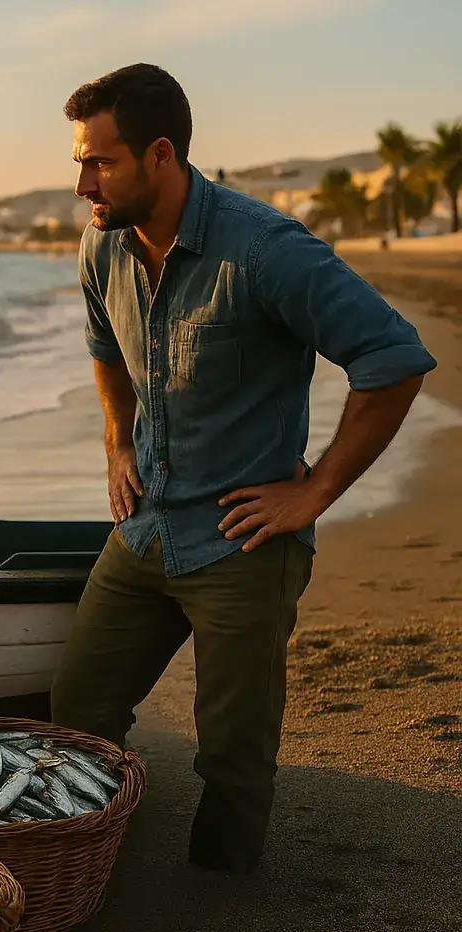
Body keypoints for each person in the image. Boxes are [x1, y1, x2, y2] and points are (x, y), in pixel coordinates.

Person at [50, 64, 436, 872]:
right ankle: (83, 863)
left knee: (232, 751)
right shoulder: (102, 246)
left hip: (242, 540)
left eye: (101, 161)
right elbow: (104, 349)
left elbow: (393, 359)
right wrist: (118, 442)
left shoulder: (266, 251)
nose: (82, 181)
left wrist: (316, 489)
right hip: (146, 525)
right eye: (80, 160)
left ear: (161, 155)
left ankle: (221, 909)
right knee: (77, 705)